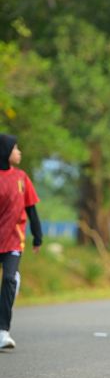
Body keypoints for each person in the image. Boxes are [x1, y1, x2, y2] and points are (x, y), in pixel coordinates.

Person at [0, 134, 42, 349]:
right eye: (15, 148)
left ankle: (2, 331)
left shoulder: (21, 177)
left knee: (8, 279)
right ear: (5, 151)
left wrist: (37, 235)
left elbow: (31, 208)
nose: (19, 152)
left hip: (13, 240)